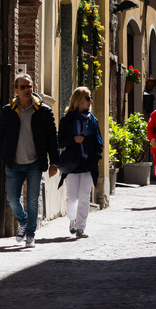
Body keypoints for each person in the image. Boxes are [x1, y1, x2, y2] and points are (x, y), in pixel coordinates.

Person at [0, 72, 59, 246]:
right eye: (23, 87)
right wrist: (4, 155)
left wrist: (54, 162)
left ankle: (30, 234)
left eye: (29, 86)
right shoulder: (8, 111)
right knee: (12, 198)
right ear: (16, 90)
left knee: (32, 200)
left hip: (34, 164)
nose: (27, 90)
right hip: (13, 163)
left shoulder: (44, 111)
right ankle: (23, 222)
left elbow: (52, 138)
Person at [57, 86, 103, 238]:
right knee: (72, 197)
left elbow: (99, 142)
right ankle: (73, 220)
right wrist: (73, 140)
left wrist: (95, 157)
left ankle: (81, 227)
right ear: (79, 100)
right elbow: (60, 142)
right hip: (72, 163)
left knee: (84, 196)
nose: (91, 101)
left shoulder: (92, 120)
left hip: (88, 164)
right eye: (88, 98)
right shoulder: (67, 120)